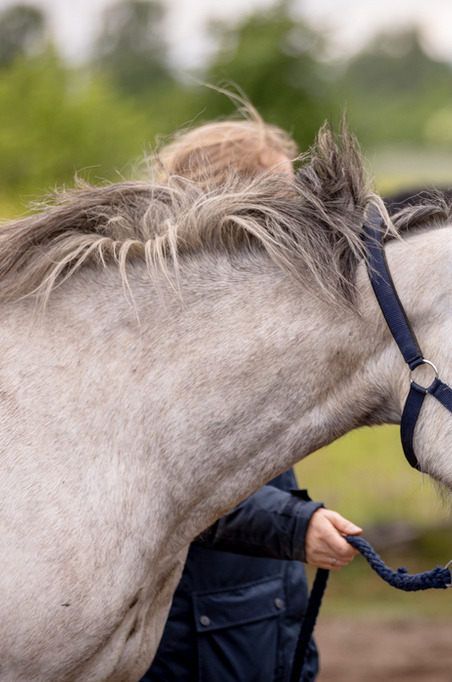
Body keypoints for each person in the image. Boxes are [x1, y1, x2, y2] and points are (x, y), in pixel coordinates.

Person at [141, 111, 362, 681]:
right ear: (225, 203)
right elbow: (174, 478)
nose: (297, 215)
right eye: (280, 197)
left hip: (251, 617)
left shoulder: (241, 321)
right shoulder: (170, 331)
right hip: (198, 633)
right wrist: (294, 526)